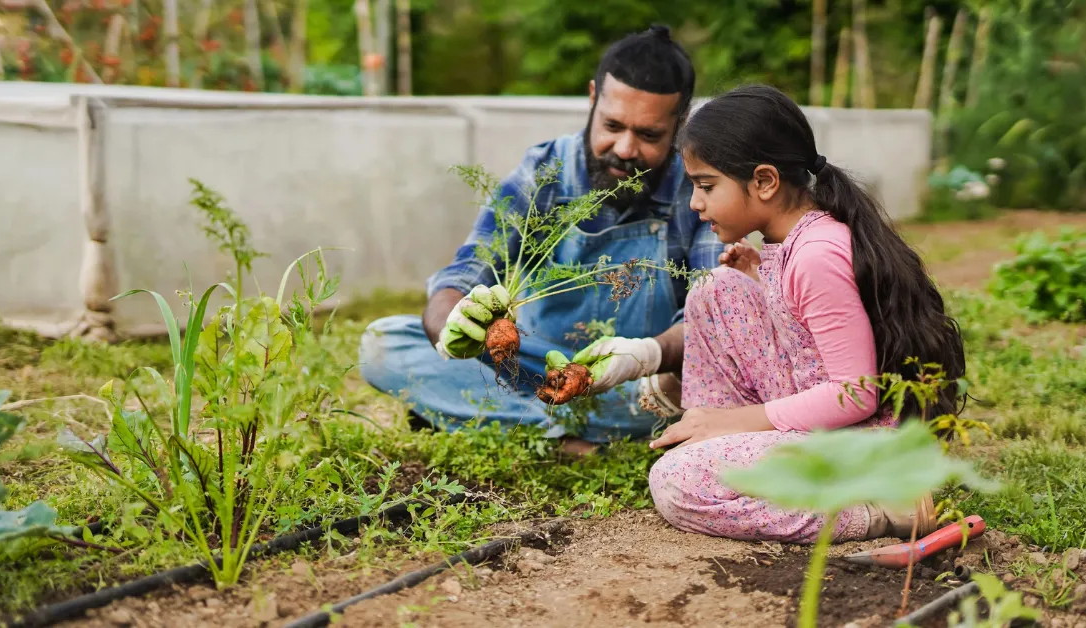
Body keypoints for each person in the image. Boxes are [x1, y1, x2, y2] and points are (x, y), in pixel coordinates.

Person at [358, 25, 722, 454]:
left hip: (628, 379)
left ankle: (492, 416)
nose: (624, 149)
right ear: (592, 97)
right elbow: (465, 271)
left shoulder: (697, 189)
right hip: (526, 364)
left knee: (689, 386)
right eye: (612, 125)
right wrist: (452, 323)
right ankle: (564, 434)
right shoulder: (546, 172)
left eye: (648, 135)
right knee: (384, 344)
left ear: (680, 123)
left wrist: (644, 356)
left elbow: (711, 316)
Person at [646, 84, 967, 543]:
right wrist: (761, 277)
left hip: (865, 437)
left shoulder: (817, 253)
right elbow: (807, 333)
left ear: (764, 181)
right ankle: (716, 440)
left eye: (706, 186)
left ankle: (879, 508)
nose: (696, 203)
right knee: (716, 290)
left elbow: (856, 396)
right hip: (818, 410)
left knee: (677, 482)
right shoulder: (794, 239)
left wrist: (733, 421)